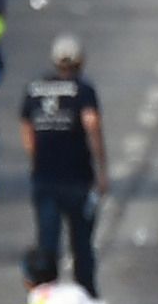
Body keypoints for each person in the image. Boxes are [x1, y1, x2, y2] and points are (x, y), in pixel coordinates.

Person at [19, 29, 107, 286]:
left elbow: (26, 126)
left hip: (45, 177)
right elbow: (92, 126)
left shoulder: (35, 88)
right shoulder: (83, 90)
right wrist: (102, 169)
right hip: (77, 178)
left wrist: (35, 157)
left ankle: (47, 297)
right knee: (82, 246)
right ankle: (86, 299)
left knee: (47, 244)